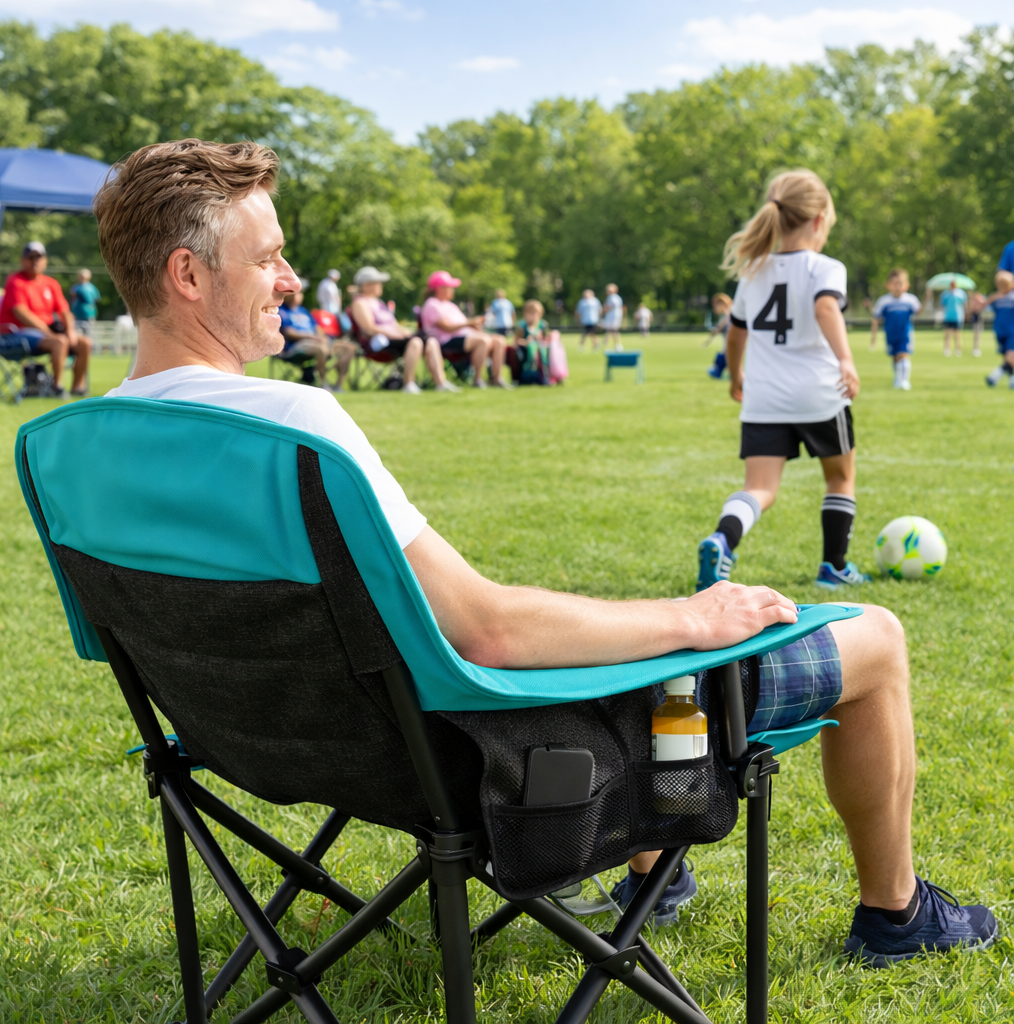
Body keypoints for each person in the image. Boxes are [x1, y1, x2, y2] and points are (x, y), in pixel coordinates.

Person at [94, 138, 996, 964]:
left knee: (608, 643)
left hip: (259, 744)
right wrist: (692, 616)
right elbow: (488, 635)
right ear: (186, 274)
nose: (290, 278)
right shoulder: (292, 423)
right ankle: (896, 915)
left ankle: (656, 873)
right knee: (871, 636)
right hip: (465, 761)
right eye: (268, 257)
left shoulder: (75, 446)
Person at [696, 169, 870, 593]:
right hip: (819, 394)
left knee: (759, 488)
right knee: (839, 477)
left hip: (764, 397)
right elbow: (826, 309)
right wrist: (846, 358)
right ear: (818, 220)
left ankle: (723, 539)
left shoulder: (753, 270)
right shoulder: (826, 268)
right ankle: (834, 566)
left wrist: (735, 377)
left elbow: (736, 334)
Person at [0, 241, 92, 396]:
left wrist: (70, 331)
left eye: (39, 257)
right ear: (23, 260)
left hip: (47, 333)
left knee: (84, 343)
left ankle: (77, 388)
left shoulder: (51, 283)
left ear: (45, 260)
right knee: (59, 341)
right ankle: (57, 388)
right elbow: (21, 313)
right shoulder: (15, 281)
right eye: (31, 257)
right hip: (16, 334)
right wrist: (49, 333)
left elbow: (65, 311)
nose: (35, 261)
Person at [349, 265, 458, 394]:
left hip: (395, 339)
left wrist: (404, 332)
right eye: (378, 283)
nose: (381, 286)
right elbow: (368, 328)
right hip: (378, 343)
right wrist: (396, 334)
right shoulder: (360, 303)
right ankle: (408, 383)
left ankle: (440, 382)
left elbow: (393, 325)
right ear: (367, 285)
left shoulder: (379, 303)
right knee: (416, 342)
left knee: (431, 341)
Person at [420, 271, 510, 388]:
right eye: (450, 287)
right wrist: (469, 323)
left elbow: (464, 324)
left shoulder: (451, 305)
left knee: (499, 340)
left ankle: (496, 379)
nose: (453, 290)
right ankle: (477, 379)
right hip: (445, 341)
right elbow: (447, 328)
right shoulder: (432, 304)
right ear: (440, 289)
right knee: (483, 341)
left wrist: (474, 325)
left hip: (463, 337)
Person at [278, 285, 352, 391]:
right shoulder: (282, 311)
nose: (297, 296)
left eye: (299, 293)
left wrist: (322, 337)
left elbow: (317, 327)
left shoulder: (303, 310)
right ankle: (323, 383)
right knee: (321, 348)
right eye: (294, 294)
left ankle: (338, 385)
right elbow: (288, 332)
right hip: (294, 347)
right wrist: (311, 336)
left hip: (316, 342)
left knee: (348, 348)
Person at [870, 269, 921, 391]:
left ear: (906, 285)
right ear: (888, 285)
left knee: (903, 356)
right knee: (895, 358)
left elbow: (918, 311)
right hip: (890, 334)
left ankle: (904, 381)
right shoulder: (884, 301)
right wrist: (873, 339)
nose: (897, 286)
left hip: (905, 334)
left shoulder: (910, 300)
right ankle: (898, 378)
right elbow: (877, 318)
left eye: (900, 283)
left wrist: (926, 298)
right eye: (894, 283)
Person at [984, 270, 1014, 389]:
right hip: (1000, 332)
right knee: (1007, 358)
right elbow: (986, 305)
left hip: (1012, 332)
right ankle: (1010, 380)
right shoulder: (996, 299)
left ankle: (994, 376)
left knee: (1010, 356)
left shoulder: (1012, 298)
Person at [512, 299, 551, 385]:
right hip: (525, 350)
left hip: (540, 349)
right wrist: (527, 342)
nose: (533, 316)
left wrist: (539, 340)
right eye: (530, 313)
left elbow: (547, 339)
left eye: (536, 313)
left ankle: (545, 376)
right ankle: (521, 377)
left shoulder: (543, 325)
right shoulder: (522, 325)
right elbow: (515, 342)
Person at [703, 293, 732, 379]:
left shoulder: (729, 313)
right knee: (725, 354)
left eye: (715, 306)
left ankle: (719, 372)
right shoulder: (727, 314)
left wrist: (718, 328)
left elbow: (723, 323)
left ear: (722, 304)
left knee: (725, 355)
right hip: (727, 340)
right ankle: (726, 372)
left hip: (731, 340)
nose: (714, 309)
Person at [70, 268, 101, 340]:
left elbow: (96, 299)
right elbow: (97, 299)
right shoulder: (77, 287)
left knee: (87, 334)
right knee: (80, 334)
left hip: (86, 314)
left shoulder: (89, 288)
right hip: (80, 314)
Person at [939, 280, 967, 357]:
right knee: (947, 335)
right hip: (948, 317)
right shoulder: (945, 294)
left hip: (958, 317)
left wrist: (967, 314)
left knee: (957, 335)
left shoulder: (961, 293)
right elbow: (943, 304)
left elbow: (965, 304)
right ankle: (947, 350)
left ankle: (958, 350)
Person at [601, 283, 624, 351]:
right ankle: (608, 341)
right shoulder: (611, 297)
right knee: (610, 329)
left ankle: (617, 344)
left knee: (613, 330)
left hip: (614, 315)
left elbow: (612, 306)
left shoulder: (613, 297)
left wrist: (604, 310)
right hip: (611, 315)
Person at [968, 291, 986, 357]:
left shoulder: (978, 299)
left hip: (978, 318)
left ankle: (976, 348)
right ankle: (975, 348)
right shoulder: (973, 300)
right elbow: (972, 309)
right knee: (976, 334)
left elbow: (983, 305)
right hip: (975, 318)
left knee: (977, 334)